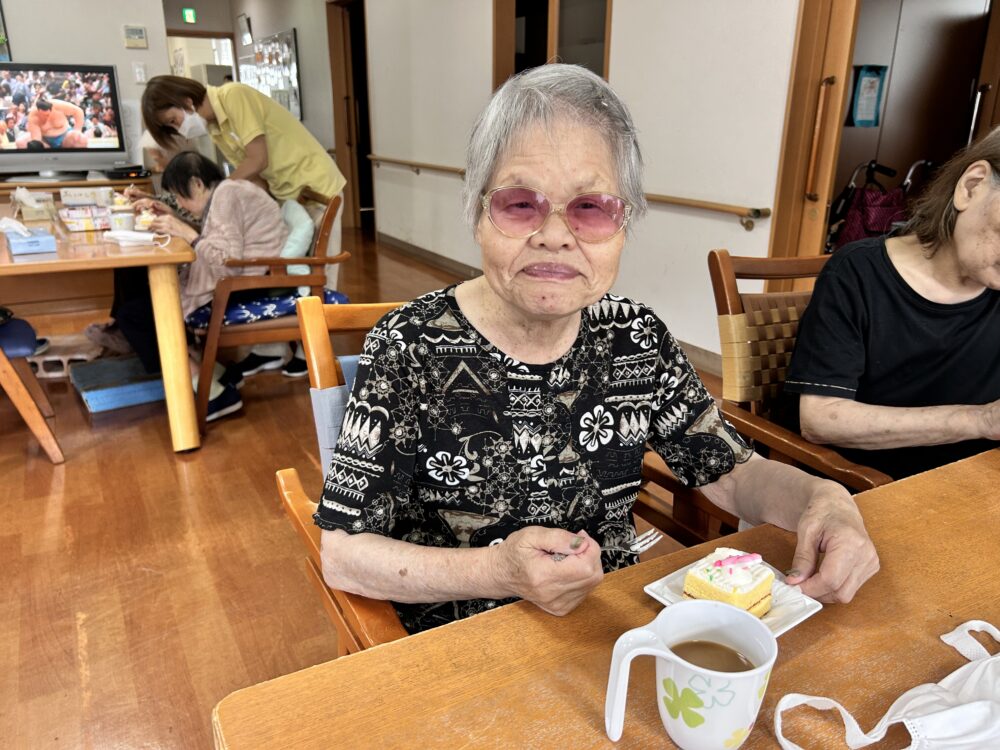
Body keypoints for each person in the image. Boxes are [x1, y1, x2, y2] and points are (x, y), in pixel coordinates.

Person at [313, 64, 879, 635]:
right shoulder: (409, 346)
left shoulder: (635, 339)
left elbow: (732, 477)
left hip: (605, 630)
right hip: (458, 648)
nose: (555, 235)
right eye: (520, 204)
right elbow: (343, 554)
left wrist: (823, 498)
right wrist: (498, 571)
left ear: (623, 224)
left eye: (590, 208)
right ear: (477, 214)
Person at [784, 130, 1000, 480]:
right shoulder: (857, 273)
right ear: (971, 187)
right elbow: (820, 419)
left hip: (974, 491)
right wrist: (982, 420)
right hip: (867, 491)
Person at [141, 75, 348, 377]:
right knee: (279, 265)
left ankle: (312, 351)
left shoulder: (233, 96)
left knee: (317, 272)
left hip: (317, 185)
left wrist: (222, 197)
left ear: (186, 101)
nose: (178, 129)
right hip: (286, 193)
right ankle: (270, 349)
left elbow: (257, 159)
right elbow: (255, 177)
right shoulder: (215, 128)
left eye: (174, 121)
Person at [114, 151, 290, 421]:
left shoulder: (226, 195)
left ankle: (213, 392)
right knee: (142, 296)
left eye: (180, 196)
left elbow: (225, 262)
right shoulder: (228, 191)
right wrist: (177, 218)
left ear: (197, 183)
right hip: (249, 278)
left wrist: (185, 232)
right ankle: (214, 375)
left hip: (244, 285)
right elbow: (220, 236)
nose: (181, 203)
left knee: (137, 314)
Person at [21, 97, 87, 149]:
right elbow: (37, 139)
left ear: (51, 109)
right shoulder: (33, 116)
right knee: (21, 143)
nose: (46, 117)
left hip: (66, 137)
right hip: (46, 141)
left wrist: (77, 131)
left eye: (47, 115)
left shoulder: (58, 105)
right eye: (43, 115)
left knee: (80, 138)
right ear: (38, 111)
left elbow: (78, 111)